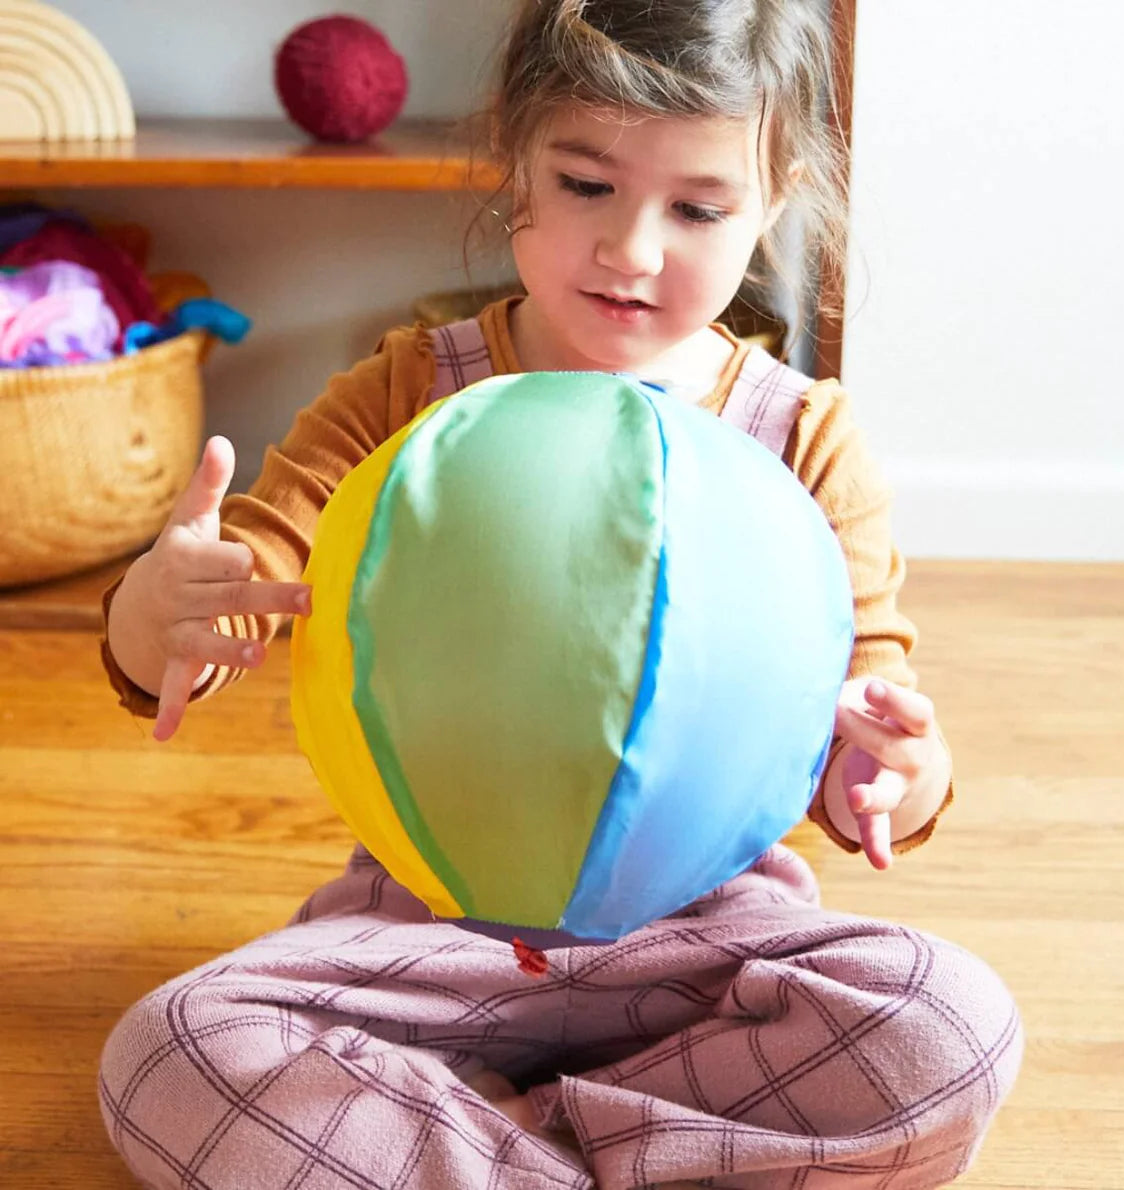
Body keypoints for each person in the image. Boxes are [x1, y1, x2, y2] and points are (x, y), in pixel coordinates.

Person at [97, 2, 1023, 1187]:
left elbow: (870, 723)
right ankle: (624, 1149)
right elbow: (239, 598)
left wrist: (895, 766)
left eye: (696, 208)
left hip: (703, 942)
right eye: (585, 183)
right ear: (516, 155)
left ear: (774, 199)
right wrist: (156, 611)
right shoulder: (404, 395)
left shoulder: (801, 437)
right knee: (171, 1051)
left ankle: (471, 1140)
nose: (631, 248)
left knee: (947, 1030)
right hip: (423, 929)